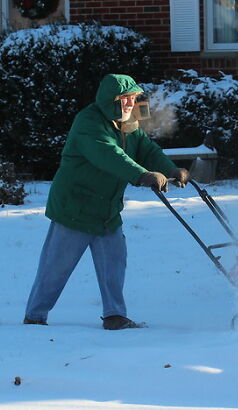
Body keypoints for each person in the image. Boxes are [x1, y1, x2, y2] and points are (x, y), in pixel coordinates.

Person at [23, 74, 190, 330]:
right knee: (56, 267)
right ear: (113, 100)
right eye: (128, 99)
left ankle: (114, 316)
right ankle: (35, 316)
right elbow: (109, 155)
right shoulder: (88, 123)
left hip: (107, 210)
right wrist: (142, 175)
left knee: (114, 262)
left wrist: (170, 169)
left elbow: (146, 149)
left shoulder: (128, 123)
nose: (132, 104)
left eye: (135, 98)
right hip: (75, 208)